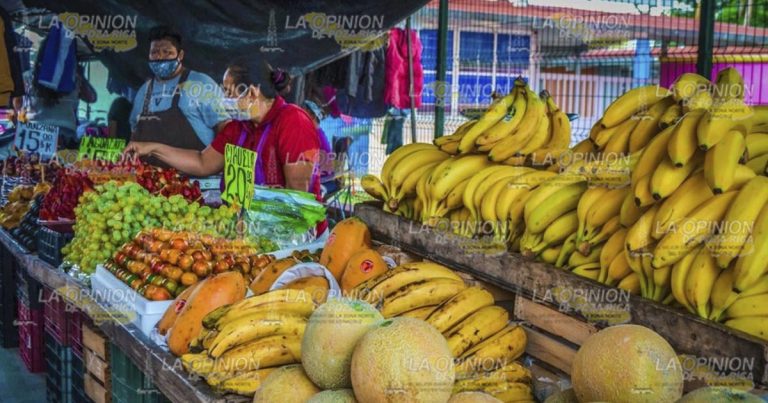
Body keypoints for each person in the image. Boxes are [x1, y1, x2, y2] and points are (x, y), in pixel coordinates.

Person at [125, 59, 325, 206]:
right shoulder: (238, 127)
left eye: (230, 92)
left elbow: (298, 191)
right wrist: (152, 148)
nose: (224, 98)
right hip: (245, 229)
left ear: (253, 93)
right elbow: (202, 162)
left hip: (291, 239)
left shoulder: (293, 121)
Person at [129, 25, 230, 167]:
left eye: (167, 52)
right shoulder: (143, 92)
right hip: (150, 180)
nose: (160, 57)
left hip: (195, 182)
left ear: (180, 55)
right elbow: (134, 134)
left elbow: (225, 127)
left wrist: (220, 165)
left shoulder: (201, 84)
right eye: (154, 52)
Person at [28, 52, 96, 150]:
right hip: (63, 133)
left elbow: (18, 103)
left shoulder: (32, 75)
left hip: (36, 132)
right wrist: (80, 75)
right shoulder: (73, 78)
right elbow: (91, 97)